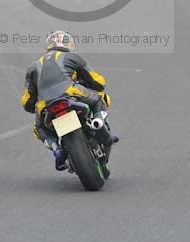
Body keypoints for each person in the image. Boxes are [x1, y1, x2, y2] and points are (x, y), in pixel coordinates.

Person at [21, 30, 118, 172]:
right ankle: (98, 122)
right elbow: (97, 81)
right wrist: (96, 83)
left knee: (39, 128)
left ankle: (57, 149)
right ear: (69, 44)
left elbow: (27, 101)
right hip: (71, 93)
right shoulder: (72, 57)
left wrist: (34, 105)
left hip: (46, 105)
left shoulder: (33, 67)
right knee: (99, 98)